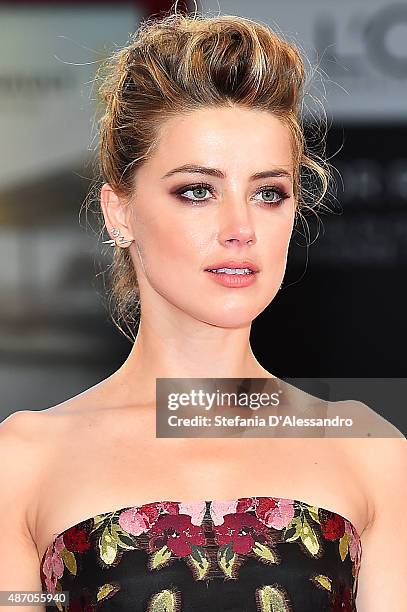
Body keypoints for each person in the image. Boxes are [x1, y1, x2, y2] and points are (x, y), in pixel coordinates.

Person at [0, 8, 406, 612]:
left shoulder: (369, 449)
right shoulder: (24, 459)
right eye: (197, 191)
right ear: (120, 212)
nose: (240, 228)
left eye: (269, 193)